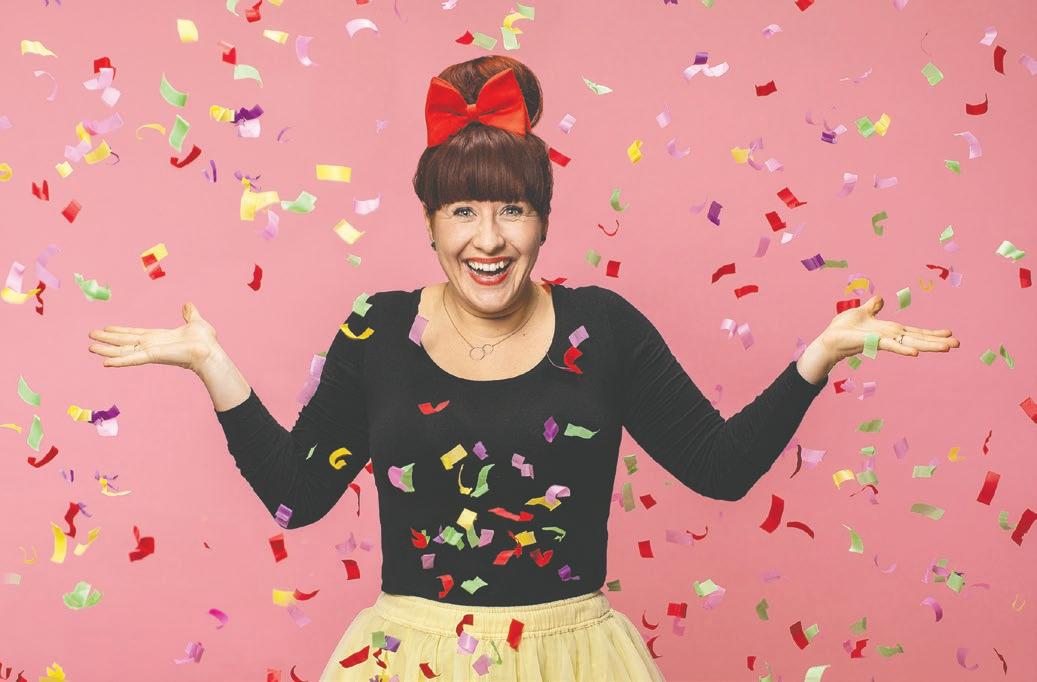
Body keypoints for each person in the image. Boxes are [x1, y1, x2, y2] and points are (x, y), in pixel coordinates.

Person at [87, 56, 960, 682]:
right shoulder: (376, 330)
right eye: (462, 210)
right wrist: (212, 367)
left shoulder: (603, 328)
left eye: (512, 209)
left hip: (574, 657)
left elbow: (721, 470)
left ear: (542, 219)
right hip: (409, 659)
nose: (489, 239)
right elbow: (296, 498)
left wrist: (819, 356)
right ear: (429, 223)